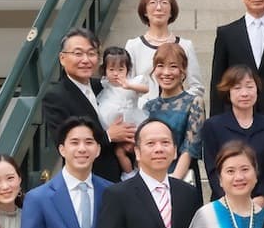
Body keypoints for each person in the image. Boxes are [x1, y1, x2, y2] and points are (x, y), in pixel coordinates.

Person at [42, 28, 132, 183]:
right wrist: (109, 136)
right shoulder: (56, 96)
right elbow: (64, 142)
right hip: (88, 178)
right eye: (78, 53)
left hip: (122, 175)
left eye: (91, 53)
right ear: (62, 58)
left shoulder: (104, 87)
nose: (86, 60)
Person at [200, 65, 264, 207]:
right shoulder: (212, 126)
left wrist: (261, 199)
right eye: (237, 88)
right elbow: (212, 169)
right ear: (228, 92)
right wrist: (231, 201)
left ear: (257, 89)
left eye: (249, 87)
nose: (244, 93)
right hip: (224, 204)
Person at [124, 0, 202, 97]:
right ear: (145, 10)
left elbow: (197, 87)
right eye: (152, 2)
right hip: (142, 113)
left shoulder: (185, 45)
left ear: (171, 10)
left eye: (164, 2)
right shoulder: (133, 46)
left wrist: (175, 103)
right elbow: (126, 87)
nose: (159, 7)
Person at [143, 43, 205, 184]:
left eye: (173, 66)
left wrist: (173, 181)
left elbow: (190, 148)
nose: (166, 72)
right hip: (151, 179)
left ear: (183, 71)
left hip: (182, 177)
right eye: (160, 66)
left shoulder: (194, 102)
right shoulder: (149, 106)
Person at [96, 46, 148, 175]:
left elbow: (145, 89)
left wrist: (128, 85)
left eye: (120, 69)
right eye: (111, 69)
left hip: (134, 125)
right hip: (116, 130)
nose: (116, 73)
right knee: (119, 152)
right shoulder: (104, 85)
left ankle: (142, 172)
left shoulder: (132, 83)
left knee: (139, 150)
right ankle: (129, 174)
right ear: (105, 70)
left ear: (127, 70)